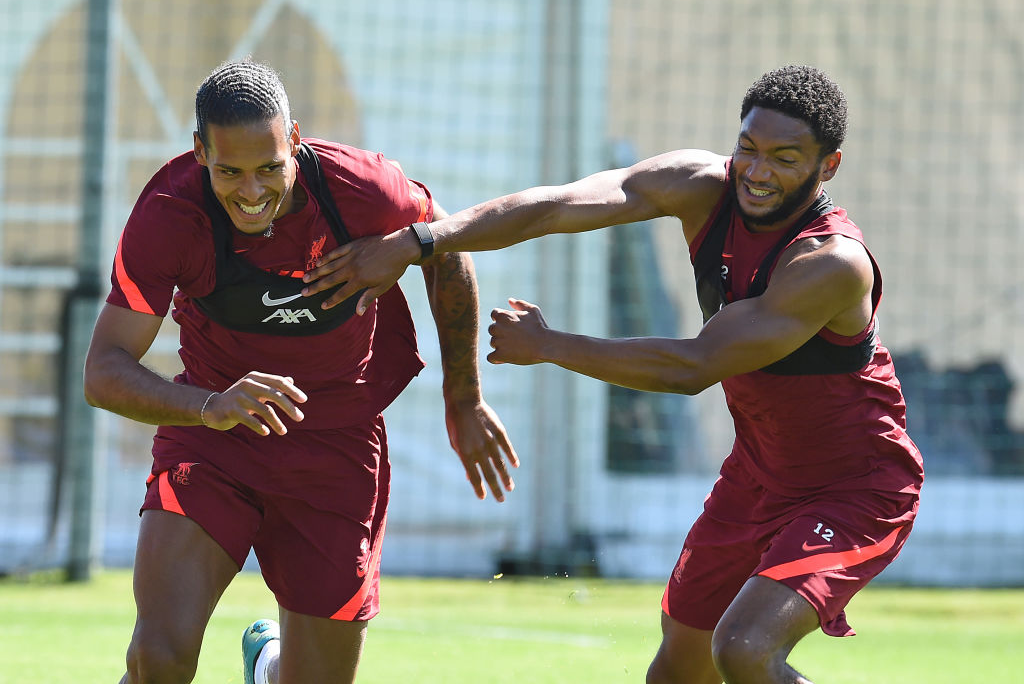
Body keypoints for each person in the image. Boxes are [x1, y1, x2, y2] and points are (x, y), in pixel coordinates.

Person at [300, 65, 924, 684]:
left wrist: (550, 345)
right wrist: (420, 240)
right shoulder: (701, 185)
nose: (758, 172)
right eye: (748, 148)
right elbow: (556, 207)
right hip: (756, 476)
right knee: (678, 671)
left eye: (785, 159)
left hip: (855, 487)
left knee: (743, 650)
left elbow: (693, 367)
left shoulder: (830, 262)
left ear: (828, 166)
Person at [83, 59, 519, 684]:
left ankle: (268, 668)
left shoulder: (364, 191)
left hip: (336, 450)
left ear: (293, 139)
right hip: (215, 444)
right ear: (201, 152)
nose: (251, 191)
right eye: (229, 171)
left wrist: (465, 399)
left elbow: (446, 252)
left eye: (269, 168)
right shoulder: (171, 212)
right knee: (158, 660)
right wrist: (210, 405)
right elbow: (103, 370)